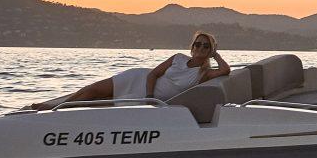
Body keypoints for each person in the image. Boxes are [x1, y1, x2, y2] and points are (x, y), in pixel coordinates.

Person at [31, 32, 231, 110]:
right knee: (92, 90)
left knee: (98, 101)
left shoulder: (204, 73)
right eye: (198, 44)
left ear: (210, 50)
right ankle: (52, 106)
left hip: (146, 97)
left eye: (206, 46)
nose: (200, 48)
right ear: (192, 46)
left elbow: (225, 69)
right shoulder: (178, 58)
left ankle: (62, 108)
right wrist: (149, 96)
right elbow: (153, 74)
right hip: (139, 80)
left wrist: (216, 55)